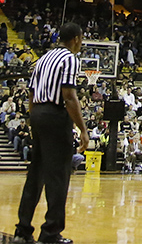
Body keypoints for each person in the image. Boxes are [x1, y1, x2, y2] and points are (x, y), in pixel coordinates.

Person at [13, 22, 88, 244]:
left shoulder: (43, 58)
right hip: (56, 115)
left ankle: (22, 230)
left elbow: (31, 93)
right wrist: (82, 129)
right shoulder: (70, 59)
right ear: (76, 39)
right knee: (58, 176)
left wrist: (34, 120)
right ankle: (50, 234)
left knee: (35, 174)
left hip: (37, 113)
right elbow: (69, 96)